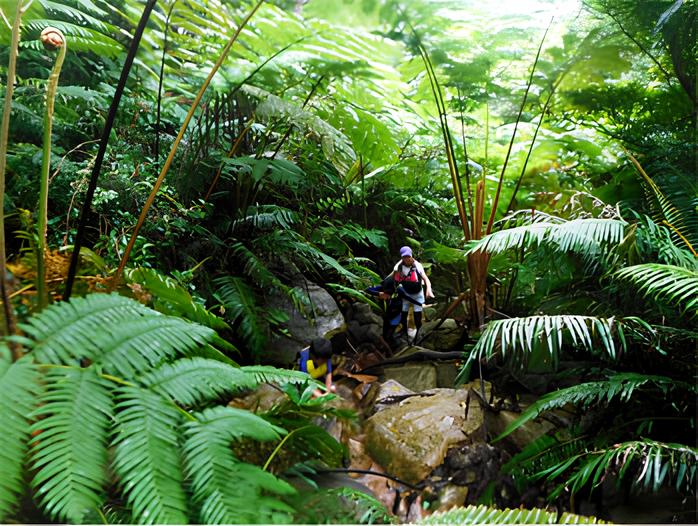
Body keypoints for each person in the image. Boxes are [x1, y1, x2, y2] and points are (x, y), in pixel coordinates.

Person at [392, 246, 434, 342]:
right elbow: (394, 279)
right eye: (405, 257)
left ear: (411, 256)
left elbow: (426, 279)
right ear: (402, 257)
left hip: (417, 293)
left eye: (408, 256)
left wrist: (429, 289)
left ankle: (418, 333)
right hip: (406, 293)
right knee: (404, 313)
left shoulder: (417, 265)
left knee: (417, 315)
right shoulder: (398, 267)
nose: (407, 259)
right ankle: (404, 333)